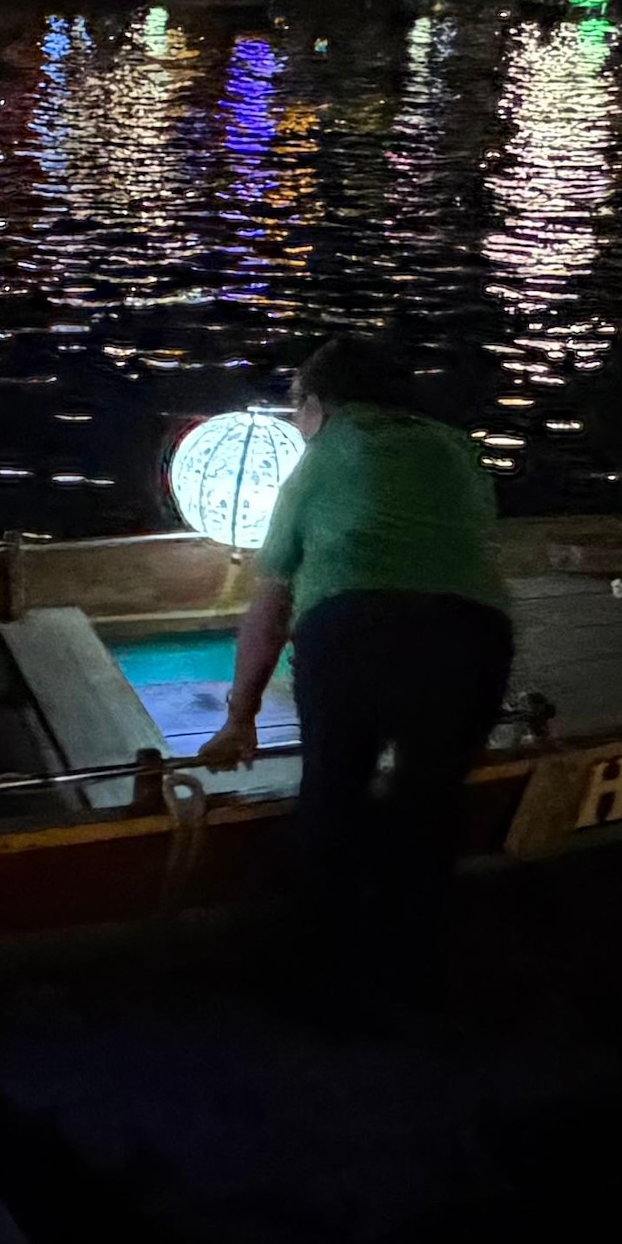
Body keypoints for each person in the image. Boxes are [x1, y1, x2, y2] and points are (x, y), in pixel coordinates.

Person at [201, 334, 515, 954]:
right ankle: (414, 970)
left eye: (297, 410)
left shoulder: (318, 461)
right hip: (477, 636)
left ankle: (328, 974)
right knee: (429, 809)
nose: (296, 423)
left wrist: (241, 717)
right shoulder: (456, 447)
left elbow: (271, 605)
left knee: (332, 798)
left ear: (318, 406)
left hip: (355, 630)